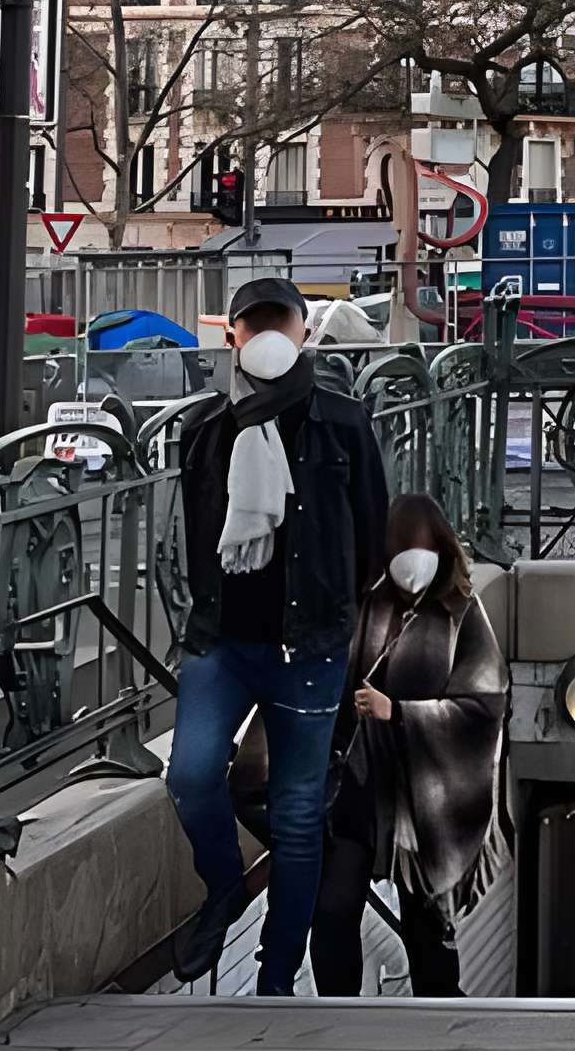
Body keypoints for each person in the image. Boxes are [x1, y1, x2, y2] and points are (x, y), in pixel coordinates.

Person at [164, 275, 393, 996]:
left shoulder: (342, 421)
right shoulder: (204, 426)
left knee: (297, 817)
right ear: (232, 336)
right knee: (191, 776)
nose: (266, 336)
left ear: (302, 334)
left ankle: (275, 976)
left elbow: (370, 529)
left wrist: (338, 622)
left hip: (309, 648)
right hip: (223, 641)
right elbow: (193, 531)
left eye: (280, 323)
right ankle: (224, 889)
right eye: (252, 323)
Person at [312, 495, 508, 998]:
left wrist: (398, 712)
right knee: (333, 909)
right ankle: (336, 1019)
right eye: (401, 569)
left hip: (426, 796)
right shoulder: (367, 603)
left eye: (422, 567)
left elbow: (484, 706)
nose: (412, 581)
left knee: (426, 922)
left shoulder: (462, 613)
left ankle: (436, 1024)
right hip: (358, 786)